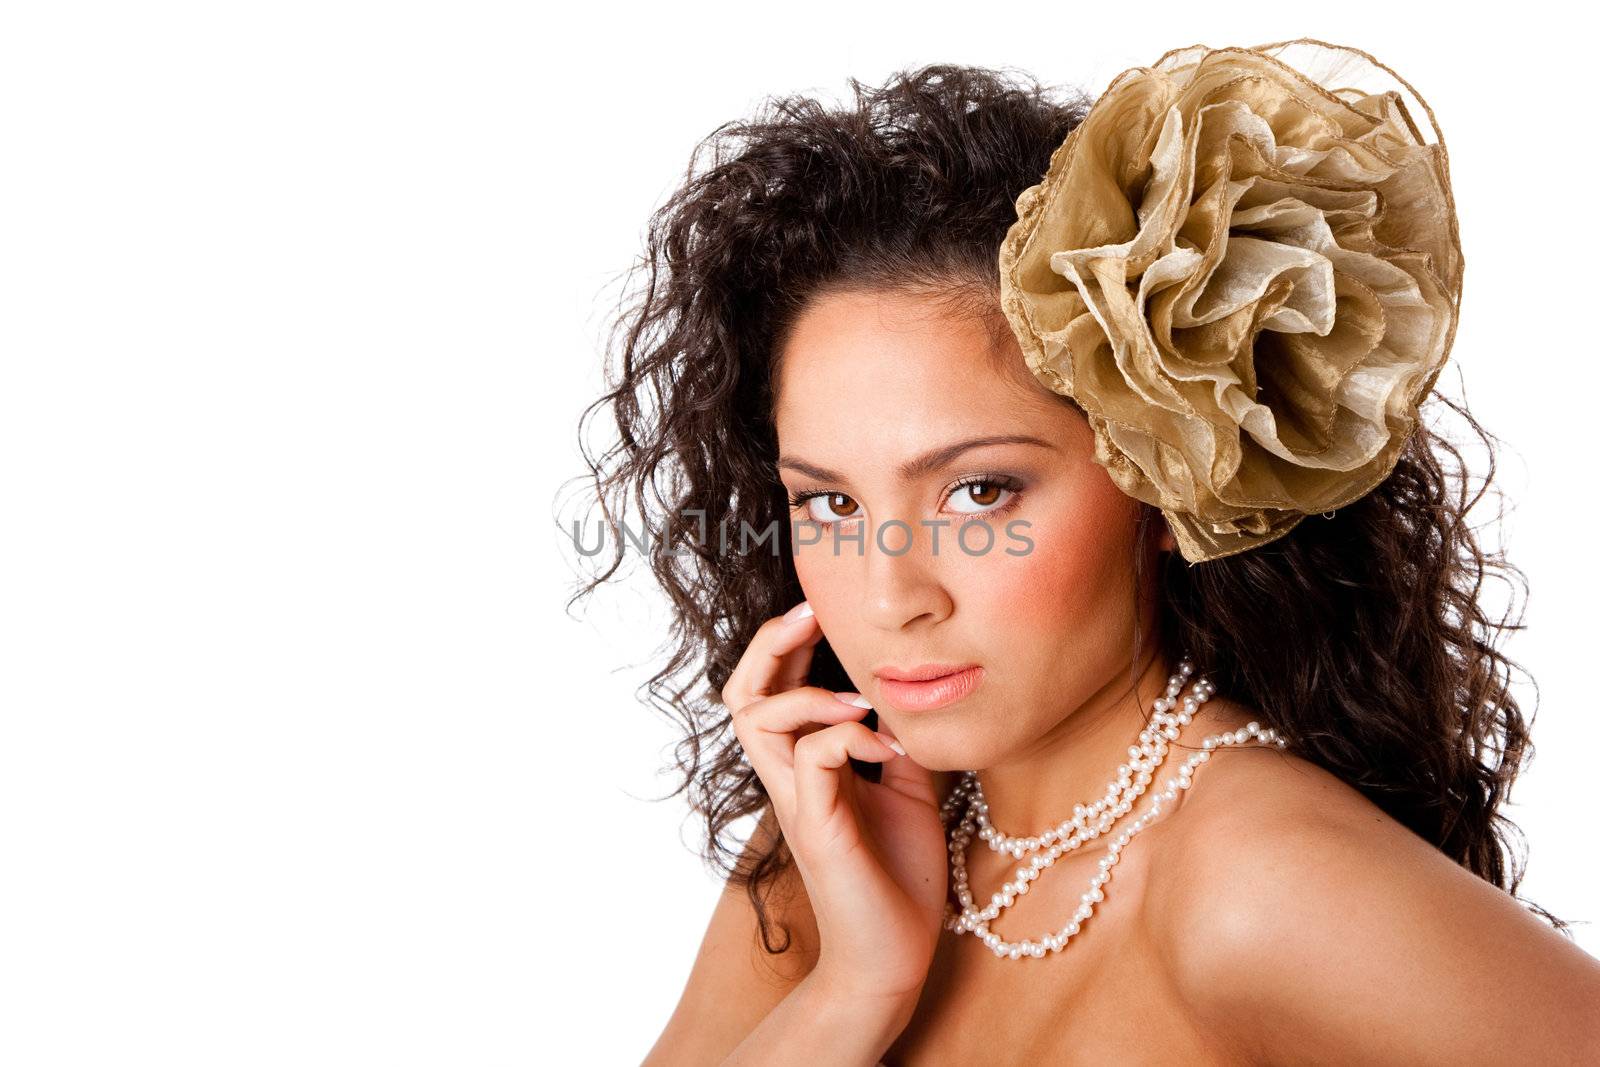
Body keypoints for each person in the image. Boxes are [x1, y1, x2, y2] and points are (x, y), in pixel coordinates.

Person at [572, 39, 1600, 1064]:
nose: (892, 593)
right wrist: (855, 983)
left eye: (980, 492)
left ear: (1162, 473)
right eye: (830, 502)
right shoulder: (846, 832)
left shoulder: (1261, 887)